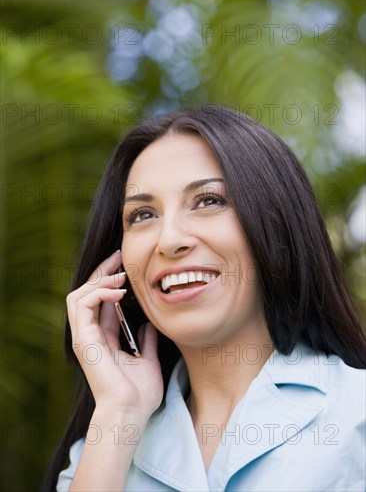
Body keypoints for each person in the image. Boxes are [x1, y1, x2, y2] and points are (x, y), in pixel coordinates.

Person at [43, 105, 366, 491]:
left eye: (208, 201)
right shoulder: (98, 454)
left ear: (276, 225)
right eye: (143, 215)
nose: (170, 240)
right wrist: (119, 410)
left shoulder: (355, 413)